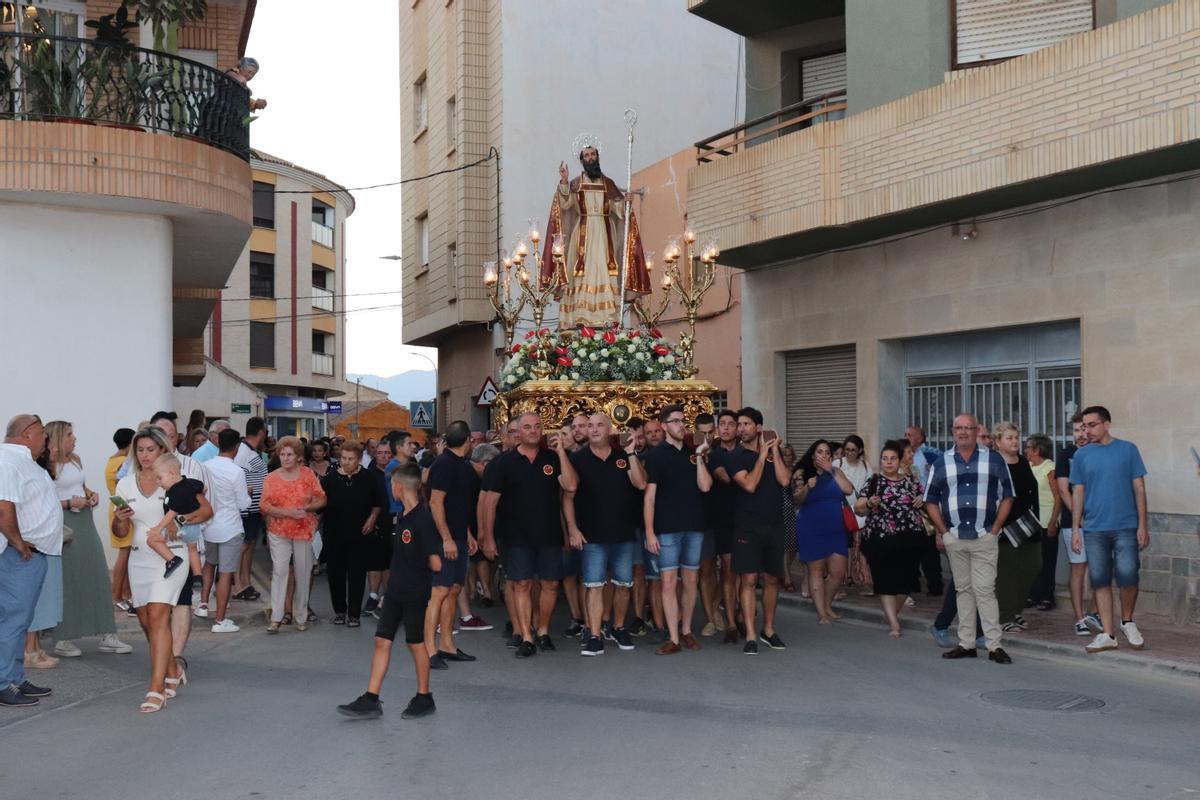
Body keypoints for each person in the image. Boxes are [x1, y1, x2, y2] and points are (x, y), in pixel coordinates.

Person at [336, 462, 441, 720]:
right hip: (394, 591)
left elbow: (436, 562)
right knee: (381, 640)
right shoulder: (403, 515)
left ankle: (424, 697)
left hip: (414, 590)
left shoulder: (423, 519)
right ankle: (371, 698)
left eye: (391, 484)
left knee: (416, 644)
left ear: (400, 486)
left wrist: (416, 565)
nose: (390, 488)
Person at [114, 426, 206, 712]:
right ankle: (173, 670)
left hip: (172, 557)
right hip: (140, 558)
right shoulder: (125, 485)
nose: (144, 455)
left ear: (162, 451)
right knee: (146, 622)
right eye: (140, 450)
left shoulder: (177, 481)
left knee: (158, 614)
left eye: (150, 450)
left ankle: (156, 689)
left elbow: (206, 511)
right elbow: (120, 531)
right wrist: (120, 518)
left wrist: (179, 524)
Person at [479, 413, 578, 658]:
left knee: (550, 584)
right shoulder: (502, 463)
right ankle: (526, 636)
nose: (533, 431)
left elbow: (571, 485)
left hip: (549, 534)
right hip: (515, 536)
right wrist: (488, 538)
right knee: (521, 584)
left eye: (537, 427)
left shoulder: (552, 459)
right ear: (518, 433)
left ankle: (543, 631)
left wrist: (562, 452)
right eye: (527, 427)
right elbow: (489, 503)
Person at [924, 414, 1014, 665]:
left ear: (976, 431)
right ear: (952, 431)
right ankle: (966, 644)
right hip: (955, 537)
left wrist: (995, 528)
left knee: (985, 590)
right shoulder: (942, 461)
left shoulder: (993, 459)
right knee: (963, 590)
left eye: (968, 428)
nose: (963, 432)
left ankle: (994, 645)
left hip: (984, 535)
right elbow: (930, 500)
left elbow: (1008, 495)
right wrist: (944, 532)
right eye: (958, 428)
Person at [540, 136, 650, 328]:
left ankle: (606, 317)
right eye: (587, 155)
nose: (590, 158)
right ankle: (581, 316)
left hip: (605, 232)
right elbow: (565, 204)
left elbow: (618, 210)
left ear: (598, 157)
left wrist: (627, 202)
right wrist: (564, 182)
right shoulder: (575, 184)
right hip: (583, 233)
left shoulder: (608, 184)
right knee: (584, 271)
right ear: (582, 160)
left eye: (593, 154)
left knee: (605, 271)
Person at [43, 421, 130, 658]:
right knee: (68, 580)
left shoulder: (75, 459)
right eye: (70, 434)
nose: (75, 438)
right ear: (59, 438)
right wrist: (70, 503)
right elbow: (42, 502)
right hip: (62, 522)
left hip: (84, 520)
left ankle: (107, 633)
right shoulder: (46, 465)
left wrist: (90, 495)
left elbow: (82, 487)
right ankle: (63, 638)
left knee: (97, 573)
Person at [564, 413, 645, 656]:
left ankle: (618, 627)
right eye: (590, 426)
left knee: (623, 584)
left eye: (600, 425)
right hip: (592, 535)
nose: (595, 429)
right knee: (594, 585)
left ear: (610, 429)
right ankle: (595, 635)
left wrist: (631, 453)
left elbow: (641, 483)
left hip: (623, 533)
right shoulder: (578, 459)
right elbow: (567, 497)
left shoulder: (623, 456)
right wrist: (573, 528)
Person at [1070, 406, 1149, 653]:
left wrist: (1143, 525)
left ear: (1106, 424)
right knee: (1100, 579)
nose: (1087, 431)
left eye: (1091, 425)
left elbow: (1139, 489)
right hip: (1094, 529)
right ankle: (1108, 633)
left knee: (1128, 574)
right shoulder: (1082, 455)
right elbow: (1078, 493)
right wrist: (1075, 529)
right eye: (1084, 426)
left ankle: (1127, 621)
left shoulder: (1128, 450)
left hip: (1126, 526)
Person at [717, 408, 791, 656]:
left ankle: (768, 629)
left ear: (759, 427)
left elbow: (784, 481)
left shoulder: (773, 453)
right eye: (739, 425)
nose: (741, 429)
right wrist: (761, 456)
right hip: (747, 525)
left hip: (774, 524)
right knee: (748, 579)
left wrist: (774, 452)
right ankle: (749, 633)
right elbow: (748, 484)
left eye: (746, 424)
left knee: (772, 579)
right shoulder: (734, 456)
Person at [0, 415, 62, 707]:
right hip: (19, 556)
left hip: (33, 554)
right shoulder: (7, 459)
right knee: (12, 620)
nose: (45, 439)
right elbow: (3, 506)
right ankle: (2, 682)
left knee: (20, 620)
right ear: (27, 434)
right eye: (42, 434)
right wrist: (17, 542)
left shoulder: (25, 462)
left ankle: (14, 677)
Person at [643, 405, 708, 654]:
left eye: (683, 420)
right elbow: (649, 497)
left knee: (691, 580)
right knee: (668, 582)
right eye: (676, 421)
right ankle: (673, 637)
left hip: (694, 526)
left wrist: (701, 458)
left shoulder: (694, 453)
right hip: (667, 529)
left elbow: (705, 487)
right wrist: (649, 532)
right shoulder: (657, 455)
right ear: (665, 426)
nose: (682, 425)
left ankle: (687, 630)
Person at [855, 441, 927, 637]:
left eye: (893, 458)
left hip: (910, 538)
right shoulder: (874, 481)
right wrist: (869, 503)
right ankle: (894, 624)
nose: (888, 462)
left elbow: (927, 504)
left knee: (907, 580)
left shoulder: (911, 482)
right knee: (885, 579)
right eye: (885, 459)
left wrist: (923, 502)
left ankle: (891, 614)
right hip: (881, 538)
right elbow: (858, 507)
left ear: (899, 460)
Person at [424, 421, 478, 669]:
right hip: (442, 539)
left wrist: (466, 534)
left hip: (457, 537)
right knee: (439, 592)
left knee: (454, 589)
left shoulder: (463, 466)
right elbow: (436, 504)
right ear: (468, 441)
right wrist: (446, 538)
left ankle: (447, 644)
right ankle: (430, 649)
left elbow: (460, 505)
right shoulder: (443, 465)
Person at [260, 436, 326, 633]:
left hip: (303, 530)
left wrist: (308, 507)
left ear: (298, 456)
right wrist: (286, 512)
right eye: (282, 454)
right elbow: (263, 505)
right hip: (278, 530)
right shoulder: (271, 478)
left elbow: (321, 499)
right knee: (279, 571)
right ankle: (276, 617)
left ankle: (301, 616)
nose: (285, 458)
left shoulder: (308, 475)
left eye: (289, 454)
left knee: (303, 572)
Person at [319, 440, 386, 629]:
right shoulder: (330, 479)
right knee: (336, 574)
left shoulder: (369, 477)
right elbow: (321, 504)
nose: (346, 462)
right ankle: (340, 611)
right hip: (334, 534)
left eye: (350, 459)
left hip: (360, 534)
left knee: (357, 574)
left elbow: (378, 502)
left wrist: (372, 518)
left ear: (359, 460)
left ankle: (354, 613)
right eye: (343, 458)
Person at [792, 440, 856, 624]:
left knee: (838, 572)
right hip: (811, 527)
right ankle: (822, 613)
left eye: (827, 452)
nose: (824, 455)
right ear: (813, 455)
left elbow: (848, 489)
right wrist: (806, 488)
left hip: (835, 528)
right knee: (816, 571)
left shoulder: (836, 471)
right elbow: (796, 500)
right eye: (820, 452)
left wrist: (831, 470)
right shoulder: (802, 473)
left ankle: (827, 605)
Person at [196, 428, 251, 632]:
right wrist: (249, 493)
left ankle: (203, 604)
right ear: (236, 447)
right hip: (230, 527)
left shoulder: (205, 466)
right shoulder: (236, 471)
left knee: (209, 565)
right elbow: (243, 504)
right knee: (226, 574)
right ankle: (219, 620)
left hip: (208, 526)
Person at [991, 422, 1042, 632]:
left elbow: (1032, 491)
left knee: (1032, 567)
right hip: (1005, 528)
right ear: (998, 442)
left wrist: (1037, 520)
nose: (1015, 441)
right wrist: (995, 526)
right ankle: (1005, 617)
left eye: (1016, 437)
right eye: (1009, 438)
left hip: (1028, 526)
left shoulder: (1022, 461)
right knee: (1007, 573)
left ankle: (1017, 610)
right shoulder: (994, 464)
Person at [1054, 416, 1101, 635]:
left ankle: (1094, 612)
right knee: (1079, 569)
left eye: (1084, 429)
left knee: (1102, 570)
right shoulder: (1066, 455)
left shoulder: (1100, 452)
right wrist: (1080, 519)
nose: (1081, 434)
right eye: (1076, 430)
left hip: (1100, 521)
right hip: (1074, 523)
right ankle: (1079, 618)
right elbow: (1064, 490)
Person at [704, 410, 743, 643]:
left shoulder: (747, 452)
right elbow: (726, 477)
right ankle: (730, 623)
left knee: (744, 571)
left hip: (747, 518)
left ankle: (739, 611)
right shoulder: (713, 455)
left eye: (731, 424)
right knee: (728, 569)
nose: (727, 428)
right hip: (723, 519)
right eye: (723, 424)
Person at [146, 455, 209, 579]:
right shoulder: (190, 483)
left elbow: (172, 512)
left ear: (172, 474)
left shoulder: (176, 491)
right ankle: (197, 575)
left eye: (160, 478)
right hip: (193, 527)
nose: (158, 482)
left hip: (179, 526)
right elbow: (204, 487)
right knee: (192, 550)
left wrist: (158, 528)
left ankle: (172, 559)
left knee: (152, 540)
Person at [905, 426, 945, 596]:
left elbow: (944, 471)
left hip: (928, 508)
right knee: (911, 549)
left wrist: (935, 470)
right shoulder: (900, 454)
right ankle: (912, 583)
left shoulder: (931, 453)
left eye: (911, 435)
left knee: (929, 549)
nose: (907, 437)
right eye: (905, 434)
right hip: (908, 509)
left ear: (921, 438)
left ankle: (935, 586)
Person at [233, 417, 268, 602]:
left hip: (254, 509)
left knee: (250, 547)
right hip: (246, 509)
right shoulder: (243, 452)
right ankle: (238, 584)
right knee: (243, 547)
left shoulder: (251, 451)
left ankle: (246, 581)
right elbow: (237, 475)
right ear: (261, 431)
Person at [1024, 433, 1059, 611]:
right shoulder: (1028, 467)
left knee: (1047, 561)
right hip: (1032, 522)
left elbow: (1058, 497)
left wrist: (1053, 521)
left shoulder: (1049, 468)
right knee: (1032, 561)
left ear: (1037, 450)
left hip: (1047, 521)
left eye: (1028, 447)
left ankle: (1047, 597)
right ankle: (1033, 595)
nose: (1025, 450)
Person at [834, 435, 874, 594]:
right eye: (847, 449)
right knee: (842, 547)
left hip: (859, 511)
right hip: (839, 510)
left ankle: (861, 578)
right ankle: (841, 580)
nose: (849, 453)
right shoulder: (838, 464)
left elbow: (870, 485)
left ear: (860, 451)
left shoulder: (865, 465)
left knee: (859, 546)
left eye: (853, 450)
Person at [106, 427, 135, 615]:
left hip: (117, 508)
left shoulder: (111, 460)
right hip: (122, 510)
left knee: (126, 554)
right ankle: (116, 595)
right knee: (124, 556)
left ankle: (124, 594)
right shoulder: (124, 462)